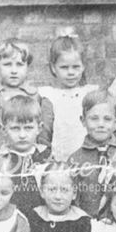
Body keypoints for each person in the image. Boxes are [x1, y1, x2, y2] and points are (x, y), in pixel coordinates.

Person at [0, 38, 54, 155]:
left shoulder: (34, 96)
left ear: (27, 66)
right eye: (7, 65)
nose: (13, 71)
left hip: (25, 156)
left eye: (19, 65)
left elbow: (39, 132)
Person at [67, 89, 116, 217]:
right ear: (83, 120)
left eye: (107, 119)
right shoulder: (75, 159)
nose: (100, 124)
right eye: (94, 119)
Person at [38, 30, 99, 161]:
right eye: (64, 67)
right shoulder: (50, 97)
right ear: (54, 68)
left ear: (83, 67)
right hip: (59, 160)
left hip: (88, 159)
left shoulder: (90, 94)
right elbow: (44, 134)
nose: (71, 72)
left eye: (76, 67)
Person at [0, 95, 52, 217]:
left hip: (41, 218)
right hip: (10, 218)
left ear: (39, 128)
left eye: (28, 128)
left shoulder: (45, 156)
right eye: (15, 128)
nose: (22, 135)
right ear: (3, 129)